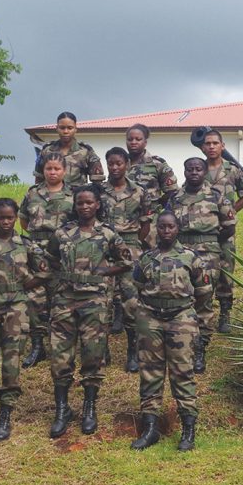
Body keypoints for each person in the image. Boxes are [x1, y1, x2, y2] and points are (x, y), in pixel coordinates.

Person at [46, 185, 132, 438]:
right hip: (64, 302)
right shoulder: (62, 233)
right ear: (75, 205)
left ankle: (89, 408)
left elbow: (126, 261)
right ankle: (62, 410)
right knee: (60, 359)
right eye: (80, 202)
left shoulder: (107, 234)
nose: (84, 206)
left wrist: (106, 272)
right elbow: (50, 258)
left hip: (95, 303)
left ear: (97, 205)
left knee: (92, 357)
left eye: (89, 202)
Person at [130, 211, 212, 452]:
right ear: (156, 228)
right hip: (150, 319)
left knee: (182, 373)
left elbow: (204, 291)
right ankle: (150, 428)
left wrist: (195, 319)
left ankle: (188, 430)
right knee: (150, 373)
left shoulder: (191, 258)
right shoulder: (146, 259)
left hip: (180, 319)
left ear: (178, 229)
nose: (166, 231)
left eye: (170, 227)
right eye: (162, 227)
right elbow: (136, 287)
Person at [0, 199, 47, 441]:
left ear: (15, 218)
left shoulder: (26, 244)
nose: (5, 221)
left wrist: (26, 285)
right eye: (1, 217)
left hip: (16, 308)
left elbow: (44, 270)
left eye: (10, 217)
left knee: (12, 360)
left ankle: (6, 412)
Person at [168, 158, 235, 374]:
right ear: (184, 171)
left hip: (208, 255)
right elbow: (166, 224)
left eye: (198, 169)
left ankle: (200, 349)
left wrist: (208, 242)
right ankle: (179, 344)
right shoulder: (175, 197)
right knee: (179, 297)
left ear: (205, 172)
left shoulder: (216, 195)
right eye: (190, 169)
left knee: (203, 299)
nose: (194, 172)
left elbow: (228, 227)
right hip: (180, 255)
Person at [18, 153, 74, 368]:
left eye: (57, 169)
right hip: (35, 252)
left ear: (64, 171)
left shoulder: (72, 195)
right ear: (43, 171)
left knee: (61, 299)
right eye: (48, 169)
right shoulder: (33, 193)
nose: (52, 172)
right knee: (35, 299)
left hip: (61, 252)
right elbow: (23, 220)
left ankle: (61, 346)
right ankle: (38, 345)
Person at [101, 147, 151, 372]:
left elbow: (146, 223)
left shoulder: (139, 191)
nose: (114, 167)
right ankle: (102, 351)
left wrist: (134, 246)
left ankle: (132, 351)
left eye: (118, 163)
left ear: (127, 164)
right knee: (103, 301)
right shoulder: (99, 192)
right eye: (110, 163)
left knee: (131, 302)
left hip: (131, 248)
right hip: (103, 250)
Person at [201, 129, 243, 335]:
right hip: (202, 229)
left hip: (225, 230)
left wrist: (228, 214)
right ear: (203, 147)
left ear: (222, 146)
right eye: (207, 143)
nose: (211, 147)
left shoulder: (233, 170)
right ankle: (202, 310)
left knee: (225, 270)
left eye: (215, 143)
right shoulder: (196, 169)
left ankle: (225, 313)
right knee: (202, 270)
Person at [33, 111, 105, 191]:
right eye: (62, 128)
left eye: (70, 128)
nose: (66, 131)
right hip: (52, 197)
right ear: (57, 128)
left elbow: (97, 180)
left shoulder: (86, 151)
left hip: (77, 199)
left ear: (75, 129)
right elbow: (39, 178)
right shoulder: (47, 150)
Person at [125, 122, 179, 220]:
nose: (133, 142)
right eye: (130, 139)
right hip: (126, 220)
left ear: (145, 142)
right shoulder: (120, 163)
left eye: (138, 139)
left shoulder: (157, 164)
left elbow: (172, 191)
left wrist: (157, 205)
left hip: (151, 220)